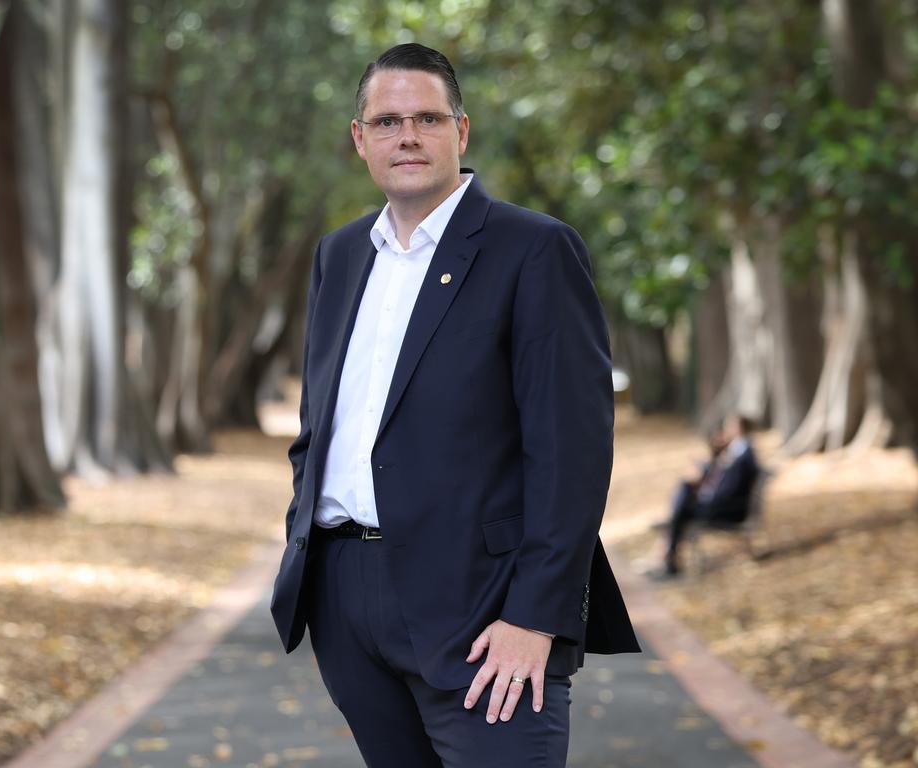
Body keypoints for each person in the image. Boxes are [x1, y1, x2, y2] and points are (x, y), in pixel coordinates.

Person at [270, 43, 640, 767]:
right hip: (347, 598)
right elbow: (322, 426)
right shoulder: (339, 256)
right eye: (386, 122)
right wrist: (307, 552)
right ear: (359, 139)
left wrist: (535, 618)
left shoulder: (534, 250)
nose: (406, 136)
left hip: (483, 605)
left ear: (460, 132)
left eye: (427, 118)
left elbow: (572, 454)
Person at [660, 413, 762, 576]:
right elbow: (721, 474)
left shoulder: (744, 453)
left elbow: (731, 486)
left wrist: (707, 496)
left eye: (730, 426)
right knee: (685, 489)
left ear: (738, 428)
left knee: (682, 508)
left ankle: (669, 555)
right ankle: (668, 552)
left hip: (729, 508)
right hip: (722, 503)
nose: (726, 429)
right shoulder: (736, 449)